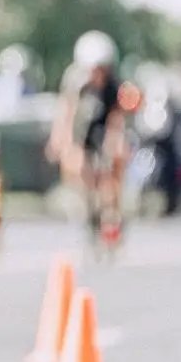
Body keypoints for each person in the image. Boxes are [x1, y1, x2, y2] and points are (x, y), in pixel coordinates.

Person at [46, 30, 134, 240]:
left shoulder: (114, 86)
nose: (98, 75)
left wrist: (115, 143)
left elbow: (117, 119)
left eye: (102, 69)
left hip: (103, 128)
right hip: (82, 131)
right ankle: (86, 206)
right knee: (79, 166)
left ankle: (113, 213)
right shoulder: (75, 82)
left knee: (114, 164)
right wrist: (61, 141)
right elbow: (66, 113)